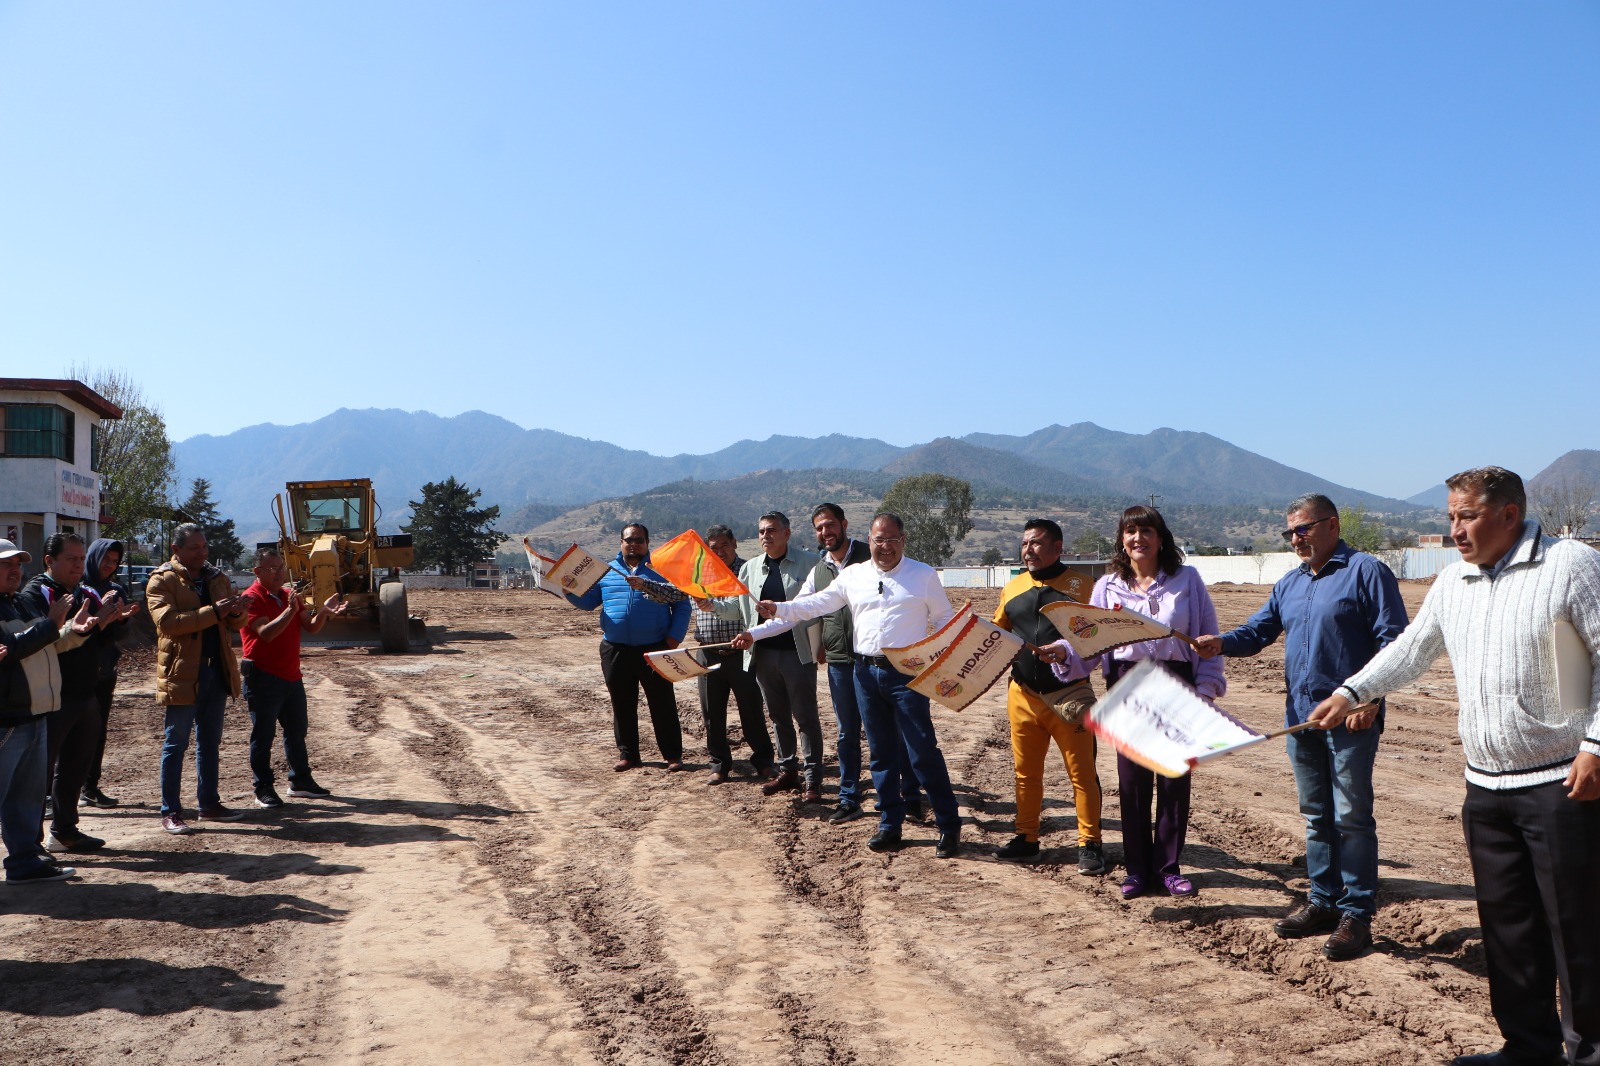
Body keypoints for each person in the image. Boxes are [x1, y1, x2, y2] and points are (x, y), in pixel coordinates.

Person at [1309, 468, 1600, 1066]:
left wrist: (1597, 746)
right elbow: (1411, 650)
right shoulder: (1453, 581)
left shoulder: (1568, 565)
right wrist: (1352, 691)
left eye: (1466, 516)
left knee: (1576, 928)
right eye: (1450, 517)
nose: (1455, 529)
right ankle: (1528, 1047)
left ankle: (1589, 1050)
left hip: (1563, 782)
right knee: (1507, 927)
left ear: (1508, 516)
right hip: (1486, 786)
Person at [1193, 494, 1408, 961]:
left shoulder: (1367, 571)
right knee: (1316, 817)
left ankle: (1357, 913)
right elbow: (1259, 631)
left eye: (1303, 529)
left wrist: (1369, 698)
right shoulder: (1290, 583)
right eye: (1289, 532)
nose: (1295, 539)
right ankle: (1323, 901)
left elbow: (1394, 643)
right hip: (1300, 720)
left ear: (1331, 525)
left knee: (1351, 817)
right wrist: (1219, 643)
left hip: (1350, 717)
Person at [750, 513, 965, 857]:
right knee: (880, 753)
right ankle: (890, 825)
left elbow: (944, 620)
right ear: (870, 539)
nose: (885, 547)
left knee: (922, 751)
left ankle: (948, 826)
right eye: (879, 540)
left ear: (903, 540)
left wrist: (938, 658)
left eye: (892, 540)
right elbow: (815, 603)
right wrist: (779, 609)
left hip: (906, 675)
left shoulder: (923, 576)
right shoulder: (854, 575)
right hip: (863, 672)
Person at [1089, 505, 1224, 899]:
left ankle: (1167, 868)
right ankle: (1136, 872)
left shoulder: (1188, 580)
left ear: (1161, 538)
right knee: (1132, 786)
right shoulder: (1107, 586)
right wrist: (1064, 652)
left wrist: (1204, 690)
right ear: (1121, 540)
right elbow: (1090, 642)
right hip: (1127, 687)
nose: (1138, 539)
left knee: (1173, 783)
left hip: (1175, 685)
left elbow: (1207, 638)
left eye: (1146, 531)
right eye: (1130, 532)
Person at [992, 519, 1105, 874]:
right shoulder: (1012, 588)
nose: (1029, 549)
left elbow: (1098, 637)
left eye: (1037, 543)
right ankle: (1026, 839)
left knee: (1082, 773)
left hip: (1069, 695)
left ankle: (1090, 843)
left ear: (1059, 547)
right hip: (1022, 694)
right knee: (1025, 773)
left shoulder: (1084, 587)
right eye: (1025, 543)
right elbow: (997, 634)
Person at [625, 525, 776, 785]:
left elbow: (750, 608)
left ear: (735, 543)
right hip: (706, 653)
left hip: (742, 652)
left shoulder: (747, 571)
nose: (719, 551)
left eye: (724, 545)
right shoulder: (699, 572)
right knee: (711, 714)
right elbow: (674, 592)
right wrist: (645, 584)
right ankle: (718, 765)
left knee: (751, 711)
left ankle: (763, 762)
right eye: (713, 547)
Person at [19, 534, 136, 854]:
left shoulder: (85, 592)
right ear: (49, 561)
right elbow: (38, 643)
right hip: (52, 698)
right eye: (71, 558)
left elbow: (105, 637)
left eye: (81, 558)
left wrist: (117, 621)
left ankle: (65, 831)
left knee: (74, 768)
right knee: (39, 775)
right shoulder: (35, 593)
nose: (78, 565)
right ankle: (30, 845)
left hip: (85, 694)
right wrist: (84, 624)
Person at [0, 537, 98, 883]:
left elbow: (46, 642)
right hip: (6, 720)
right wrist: (52, 622)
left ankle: (25, 862)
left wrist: (75, 630)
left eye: (16, 564)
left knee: (25, 799)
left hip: (35, 714)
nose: (14, 571)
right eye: (5, 564)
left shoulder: (17, 604)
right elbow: (8, 650)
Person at [712, 512, 825, 801]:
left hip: (798, 653)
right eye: (762, 531)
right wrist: (710, 606)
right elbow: (738, 610)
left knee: (805, 716)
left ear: (787, 533)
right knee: (777, 716)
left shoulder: (810, 563)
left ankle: (812, 779)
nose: (766, 536)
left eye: (772, 530)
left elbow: (824, 606)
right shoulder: (749, 569)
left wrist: (823, 641)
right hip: (763, 655)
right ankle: (788, 771)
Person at [146, 523, 250, 834]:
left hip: (216, 671)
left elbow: (235, 623)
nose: (202, 552)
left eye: (204, 547)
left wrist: (236, 611)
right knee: (175, 743)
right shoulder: (161, 580)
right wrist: (216, 611)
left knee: (210, 743)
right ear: (176, 550)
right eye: (195, 548)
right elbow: (167, 622)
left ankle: (209, 804)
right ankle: (171, 811)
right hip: (182, 673)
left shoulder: (215, 577)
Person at [566, 524, 690, 772]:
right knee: (622, 703)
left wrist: (674, 638)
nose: (634, 544)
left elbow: (682, 604)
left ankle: (673, 755)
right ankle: (628, 754)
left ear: (647, 543)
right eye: (629, 540)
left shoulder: (662, 571)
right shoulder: (606, 572)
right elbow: (589, 603)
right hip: (615, 649)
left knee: (662, 702)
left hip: (654, 647)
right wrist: (567, 589)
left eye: (639, 540)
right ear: (620, 542)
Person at [239, 548, 345, 808]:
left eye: (281, 568)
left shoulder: (288, 596)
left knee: (297, 731)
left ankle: (300, 782)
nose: (278, 573)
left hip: (290, 676)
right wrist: (288, 611)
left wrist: (324, 612)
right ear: (257, 572)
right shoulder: (251, 598)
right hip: (263, 677)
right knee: (263, 736)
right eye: (271, 569)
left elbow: (310, 627)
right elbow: (266, 633)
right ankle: (262, 788)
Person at [80, 539, 138, 809]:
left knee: (99, 731)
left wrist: (122, 619)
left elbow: (120, 636)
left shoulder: (116, 590)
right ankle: (49, 794)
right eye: (106, 559)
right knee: (66, 733)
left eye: (114, 561)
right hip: (76, 673)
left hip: (104, 671)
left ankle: (90, 787)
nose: (109, 566)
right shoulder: (77, 587)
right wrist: (100, 614)